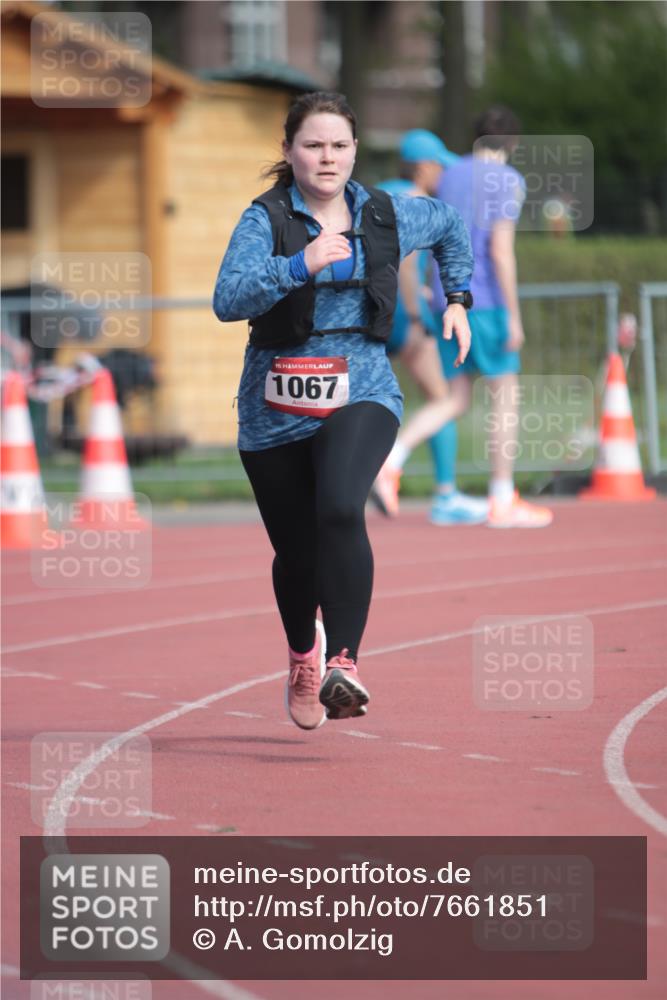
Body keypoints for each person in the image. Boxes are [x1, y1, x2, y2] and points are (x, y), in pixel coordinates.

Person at [213, 91, 473, 730]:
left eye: (338, 145)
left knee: (338, 506)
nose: (326, 157)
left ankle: (345, 666)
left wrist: (458, 296)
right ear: (289, 151)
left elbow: (448, 225)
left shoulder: (384, 214)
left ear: (354, 150)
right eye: (312, 145)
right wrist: (298, 263)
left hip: (362, 389)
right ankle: (305, 655)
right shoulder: (265, 220)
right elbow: (227, 298)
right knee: (296, 552)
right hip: (273, 406)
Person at [377, 106, 553, 528]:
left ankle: (392, 457)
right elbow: (499, 251)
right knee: (504, 398)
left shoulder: (450, 176)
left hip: (445, 300)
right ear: (511, 144)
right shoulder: (508, 180)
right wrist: (514, 315)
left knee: (453, 399)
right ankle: (502, 499)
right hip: (486, 301)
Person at [373, 130, 489, 526]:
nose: (443, 175)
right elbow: (404, 261)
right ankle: (438, 489)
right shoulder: (418, 201)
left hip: (363, 313)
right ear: (424, 167)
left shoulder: (375, 193)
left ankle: (347, 485)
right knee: (445, 400)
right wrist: (416, 313)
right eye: (440, 165)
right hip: (403, 315)